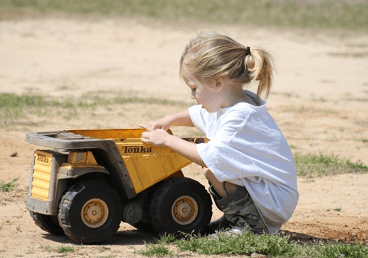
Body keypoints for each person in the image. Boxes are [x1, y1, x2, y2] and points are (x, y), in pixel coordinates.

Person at [139, 31, 298, 235]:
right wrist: (167, 120)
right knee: (213, 170)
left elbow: (210, 155)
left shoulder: (240, 117)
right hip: (270, 195)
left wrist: (168, 140)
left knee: (212, 167)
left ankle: (250, 227)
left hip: (274, 200)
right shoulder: (232, 104)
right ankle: (237, 219)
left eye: (194, 88)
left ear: (217, 82)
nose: (192, 96)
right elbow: (196, 115)